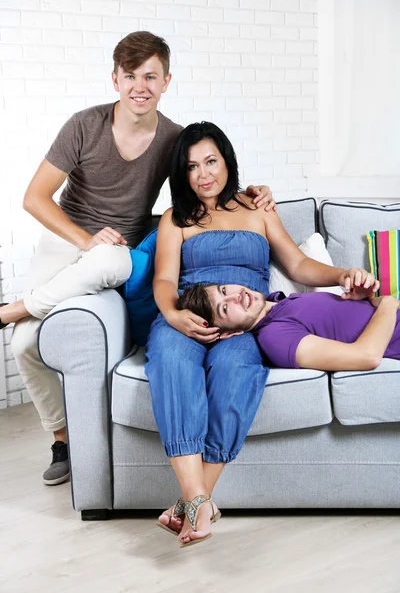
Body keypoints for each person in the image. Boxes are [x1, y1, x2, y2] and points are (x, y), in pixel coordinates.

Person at [0, 32, 274, 487]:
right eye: (130, 76)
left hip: (118, 250)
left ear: (167, 81)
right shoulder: (83, 125)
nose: (139, 86)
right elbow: (34, 198)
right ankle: (62, 439)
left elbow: (204, 184)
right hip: (69, 234)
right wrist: (85, 239)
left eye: (150, 76)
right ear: (115, 79)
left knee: (109, 262)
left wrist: (248, 194)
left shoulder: (172, 139)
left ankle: (11, 310)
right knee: (24, 346)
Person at [144, 120, 378, 547]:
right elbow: (163, 279)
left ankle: (193, 502)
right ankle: (199, 499)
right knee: (171, 362)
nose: (204, 174)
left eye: (211, 161)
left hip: (243, 321)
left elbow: (299, 266)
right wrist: (173, 316)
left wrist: (343, 273)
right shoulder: (174, 218)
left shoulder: (258, 209)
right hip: (187, 312)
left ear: (227, 161)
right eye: (193, 166)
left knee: (236, 372)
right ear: (182, 174)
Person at [177, 284, 400, 373]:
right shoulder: (275, 336)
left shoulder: (280, 301)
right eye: (225, 308)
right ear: (228, 333)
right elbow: (367, 356)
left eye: (224, 289)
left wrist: (371, 299)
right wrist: (389, 302)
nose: (236, 296)